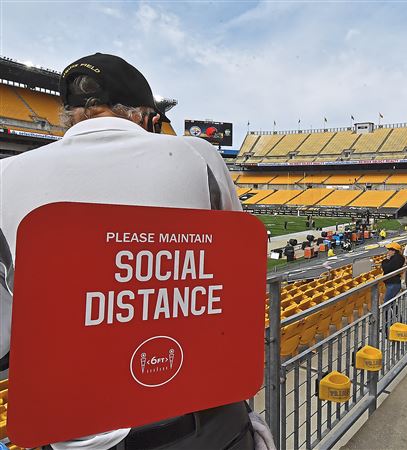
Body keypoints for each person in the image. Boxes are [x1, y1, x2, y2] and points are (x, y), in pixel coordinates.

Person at [0, 53, 269, 450]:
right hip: (202, 420)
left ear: (69, 115)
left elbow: (5, 341)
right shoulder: (199, 156)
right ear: (146, 117)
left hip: (74, 433)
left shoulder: (5, 176)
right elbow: (236, 267)